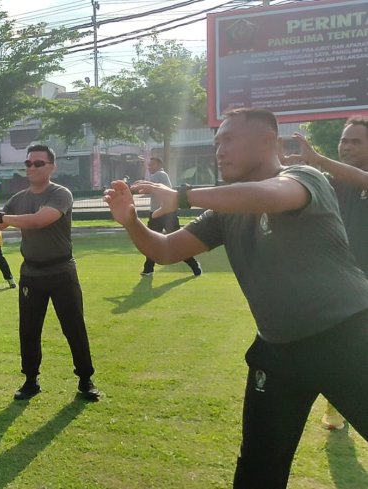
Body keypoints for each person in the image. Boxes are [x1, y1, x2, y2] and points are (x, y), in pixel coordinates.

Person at [104, 108, 368, 488]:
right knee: (258, 471)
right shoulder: (224, 211)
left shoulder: (303, 177)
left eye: (228, 140)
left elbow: (273, 196)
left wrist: (183, 195)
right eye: (216, 143)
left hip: (346, 336)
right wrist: (131, 221)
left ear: (267, 142)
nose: (219, 150)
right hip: (277, 351)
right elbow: (164, 251)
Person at [0, 144, 101, 402]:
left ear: (52, 167)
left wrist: (1, 218)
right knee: (29, 329)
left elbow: (39, 220)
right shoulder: (19, 198)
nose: (32, 167)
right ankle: (30, 380)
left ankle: (85, 379)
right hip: (32, 273)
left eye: (39, 163)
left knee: (73, 327)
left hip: (61, 271)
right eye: (29, 163)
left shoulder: (60, 194)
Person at [282, 115, 368, 432]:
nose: (346, 146)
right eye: (344, 140)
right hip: (345, 282)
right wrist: (286, 168)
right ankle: (336, 409)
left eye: (355, 141)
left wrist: (317, 159)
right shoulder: (335, 180)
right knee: (341, 349)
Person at [138, 157, 202, 277]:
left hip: (166, 214)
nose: (149, 167)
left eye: (151, 165)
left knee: (175, 242)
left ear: (158, 165)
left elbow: (144, 188)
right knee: (151, 241)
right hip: (158, 213)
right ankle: (148, 268)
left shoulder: (160, 174)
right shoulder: (158, 175)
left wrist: (128, 188)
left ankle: (194, 265)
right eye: (148, 165)